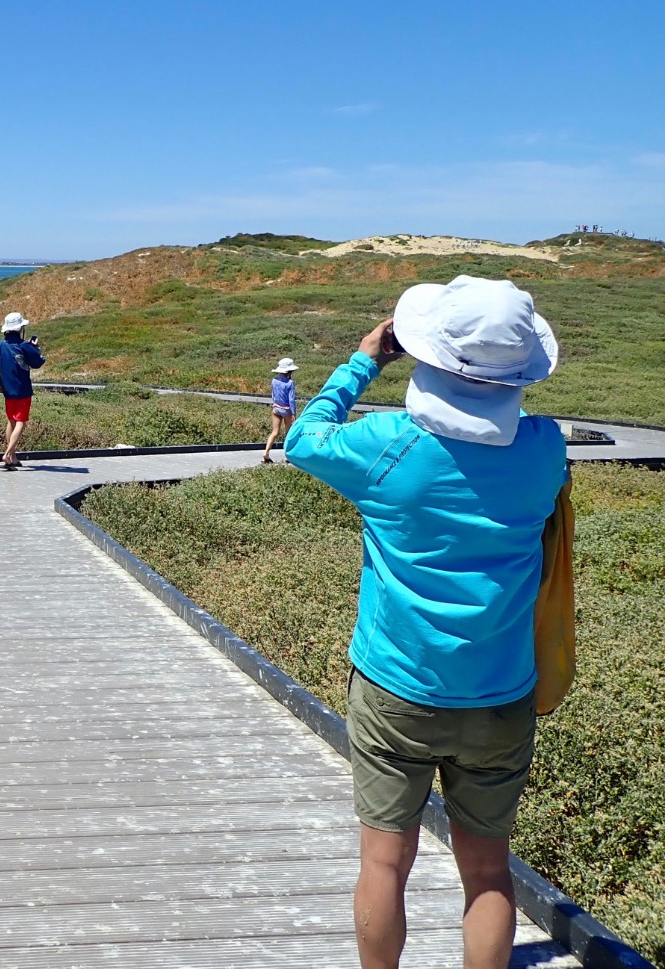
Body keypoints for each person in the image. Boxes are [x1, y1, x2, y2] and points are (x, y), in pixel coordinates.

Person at [284, 276, 567, 969]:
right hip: (502, 695)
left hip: (396, 690)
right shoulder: (544, 447)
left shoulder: (385, 447)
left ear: (425, 354)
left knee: (384, 864)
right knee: (489, 874)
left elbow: (304, 437)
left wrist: (364, 360)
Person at [0, 311, 44, 470]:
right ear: (20, 328)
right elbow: (37, 362)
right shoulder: (23, 345)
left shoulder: (0, 345)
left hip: (7, 389)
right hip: (22, 389)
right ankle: (8, 454)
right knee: (21, 422)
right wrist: (35, 347)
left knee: (11, 420)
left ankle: (13, 457)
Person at [262, 356, 298, 463]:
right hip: (286, 410)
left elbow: (273, 395)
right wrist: (293, 414)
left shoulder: (274, 380)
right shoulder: (290, 383)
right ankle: (287, 456)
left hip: (276, 408)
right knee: (288, 433)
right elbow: (291, 400)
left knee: (274, 432)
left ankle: (266, 452)